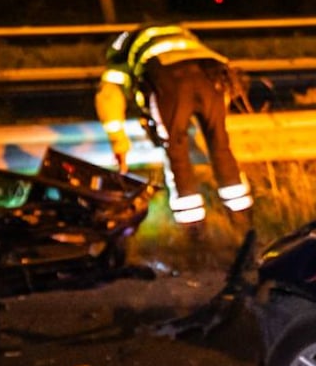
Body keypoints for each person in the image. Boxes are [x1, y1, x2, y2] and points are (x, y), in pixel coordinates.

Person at [95, 24, 253, 225]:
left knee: (176, 152)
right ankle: (242, 219)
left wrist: (119, 143)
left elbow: (108, 97)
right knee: (220, 145)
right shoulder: (172, 34)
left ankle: (193, 227)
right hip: (212, 73)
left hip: (169, 78)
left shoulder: (121, 55)